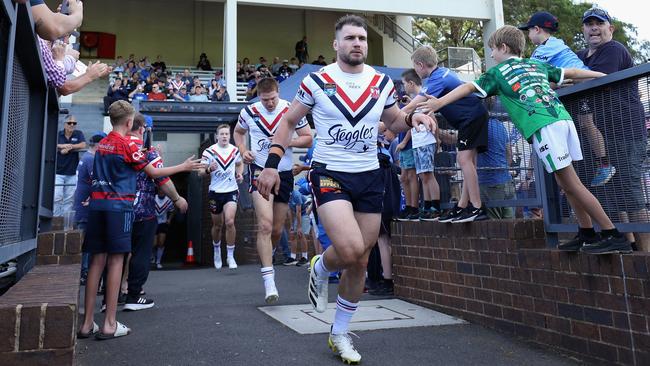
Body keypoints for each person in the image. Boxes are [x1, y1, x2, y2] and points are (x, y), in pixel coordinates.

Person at [256, 15, 434, 364]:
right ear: (336, 44)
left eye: (362, 39)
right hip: (329, 173)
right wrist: (270, 164)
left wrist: (415, 118)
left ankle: (339, 333)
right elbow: (289, 122)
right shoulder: (317, 81)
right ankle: (321, 267)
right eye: (350, 38)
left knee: (361, 260)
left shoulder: (381, 82)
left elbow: (393, 122)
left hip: (370, 175)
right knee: (350, 249)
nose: (358, 43)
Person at [418, 25, 632, 255]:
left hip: (542, 126)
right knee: (566, 183)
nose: (491, 55)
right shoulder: (535, 64)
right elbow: (570, 73)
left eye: (492, 50)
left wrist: (439, 103)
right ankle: (586, 232)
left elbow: (468, 87)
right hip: (563, 120)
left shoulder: (498, 73)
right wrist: (601, 76)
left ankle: (611, 234)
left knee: (572, 183)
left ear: (503, 47)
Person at [77, 101, 204, 340]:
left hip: (97, 207)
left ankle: (86, 324)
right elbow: (154, 173)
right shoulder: (127, 145)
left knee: (96, 262)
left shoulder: (101, 144)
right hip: (119, 208)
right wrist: (184, 166)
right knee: (116, 262)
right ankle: (110, 324)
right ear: (128, 122)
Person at [576, 7, 650, 252]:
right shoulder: (581, 56)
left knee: (630, 190)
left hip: (626, 131)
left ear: (611, 28)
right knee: (613, 192)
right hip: (602, 135)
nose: (594, 28)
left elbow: (595, 79)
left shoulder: (613, 49)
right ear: (583, 29)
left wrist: (566, 78)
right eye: (589, 24)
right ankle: (627, 245)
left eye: (599, 23)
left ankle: (646, 251)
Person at [234, 77, 312, 303]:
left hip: (285, 173)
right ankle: (269, 282)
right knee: (265, 224)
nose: (269, 103)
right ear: (259, 96)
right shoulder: (249, 111)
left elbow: (308, 138)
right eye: (265, 99)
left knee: (277, 229)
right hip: (259, 170)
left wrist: (287, 142)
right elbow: (238, 132)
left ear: (279, 93)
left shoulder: (291, 109)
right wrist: (242, 149)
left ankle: (268, 256)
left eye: (273, 99)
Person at [518, 11, 614, 187]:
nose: (528, 36)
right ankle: (597, 165)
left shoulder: (546, 48)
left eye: (529, 31)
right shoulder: (554, 44)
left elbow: (530, 71)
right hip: (580, 84)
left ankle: (605, 165)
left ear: (537, 29)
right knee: (583, 124)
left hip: (584, 82)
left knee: (586, 124)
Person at [407, 45, 489, 223]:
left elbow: (413, 105)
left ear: (421, 65)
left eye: (415, 67)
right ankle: (462, 205)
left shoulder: (436, 80)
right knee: (469, 163)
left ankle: (477, 207)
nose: (415, 71)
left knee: (464, 160)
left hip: (471, 117)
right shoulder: (443, 72)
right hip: (473, 116)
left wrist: (393, 119)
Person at [124, 114, 189, 311]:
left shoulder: (116, 146)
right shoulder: (149, 152)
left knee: (117, 254)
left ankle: (110, 298)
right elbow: (162, 181)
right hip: (143, 211)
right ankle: (134, 295)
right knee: (140, 254)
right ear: (143, 128)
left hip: (118, 209)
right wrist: (178, 199)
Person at [199, 125, 244, 270]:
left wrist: (239, 173)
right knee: (218, 225)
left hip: (231, 190)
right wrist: (208, 169)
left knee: (230, 222)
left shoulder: (234, 150)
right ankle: (217, 249)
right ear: (217, 136)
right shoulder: (209, 151)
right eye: (222, 134)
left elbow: (239, 163)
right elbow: (200, 172)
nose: (225, 136)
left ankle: (230, 255)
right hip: (215, 192)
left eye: (227, 134)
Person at [401, 69, 440, 221]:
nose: (404, 86)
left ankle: (435, 207)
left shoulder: (423, 99)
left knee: (428, 175)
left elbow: (433, 119)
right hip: (418, 142)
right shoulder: (414, 102)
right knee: (423, 175)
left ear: (411, 83)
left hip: (425, 141)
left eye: (404, 84)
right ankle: (427, 206)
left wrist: (436, 140)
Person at [74, 132, 105, 285]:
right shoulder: (91, 159)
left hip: (82, 206)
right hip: (85, 208)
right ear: (99, 145)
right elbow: (97, 182)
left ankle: (84, 272)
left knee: (86, 241)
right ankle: (84, 272)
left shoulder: (86, 157)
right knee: (86, 243)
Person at [55, 115, 86, 216]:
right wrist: (62, 147)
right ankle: (56, 219)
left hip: (72, 172)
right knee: (57, 197)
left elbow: (83, 145)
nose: (72, 125)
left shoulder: (78, 133)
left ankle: (64, 222)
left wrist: (69, 147)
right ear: (64, 124)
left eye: (74, 123)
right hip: (58, 172)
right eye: (69, 123)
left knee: (69, 199)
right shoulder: (59, 134)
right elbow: (53, 143)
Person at [288, 187, 310, 266]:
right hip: (298, 215)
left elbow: (299, 211)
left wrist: (299, 227)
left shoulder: (296, 195)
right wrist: (291, 225)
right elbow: (290, 211)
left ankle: (305, 258)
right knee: (293, 235)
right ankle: (292, 258)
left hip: (305, 213)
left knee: (301, 234)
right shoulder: (285, 195)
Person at [153, 190, 174, 269]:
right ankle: (153, 257)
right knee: (154, 244)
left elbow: (172, 210)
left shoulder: (168, 200)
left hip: (163, 223)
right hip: (154, 222)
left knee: (161, 243)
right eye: (160, 191)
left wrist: (169, 219)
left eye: (163, 191)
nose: (161, 192)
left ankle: (158, 261)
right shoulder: (153, 198)